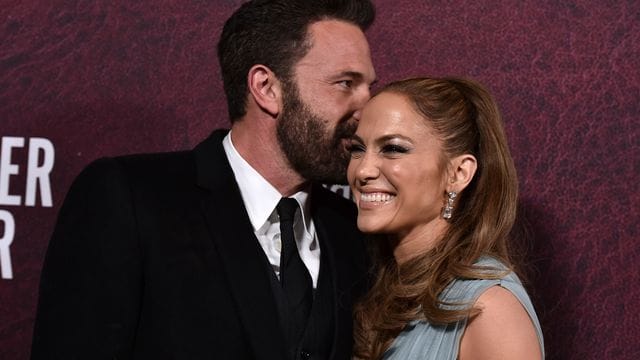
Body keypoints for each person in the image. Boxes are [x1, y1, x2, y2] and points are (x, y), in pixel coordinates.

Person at [31, 1, 377, 359]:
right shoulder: (131, 200)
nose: (368, 110)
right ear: (266, 87)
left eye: (369, 88)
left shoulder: (353, 231)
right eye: (345, 83)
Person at [347, 77, 545, 359]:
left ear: (459, 173)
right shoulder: (384, 289)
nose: (363, 170)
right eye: (357, 149)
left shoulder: (489, 309)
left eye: (393, 149)